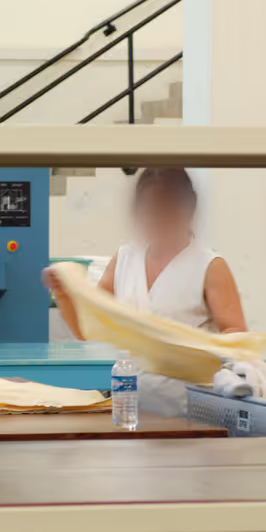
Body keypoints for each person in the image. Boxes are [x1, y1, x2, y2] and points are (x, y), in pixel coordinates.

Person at [44, 167, 247, 414]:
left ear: (188, 209)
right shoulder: (126, 258)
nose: (157, 219)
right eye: (150, 211)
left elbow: (236, 336)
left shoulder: (209, 266)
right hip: (131, 408)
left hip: (189, 412)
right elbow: (87, 328)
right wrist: (64, 292)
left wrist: (190, 350)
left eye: (166, 210)